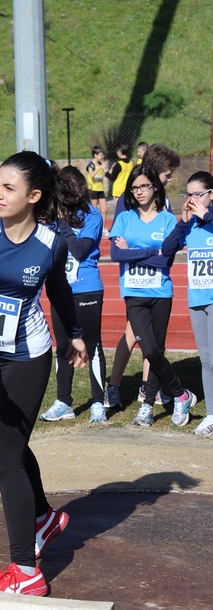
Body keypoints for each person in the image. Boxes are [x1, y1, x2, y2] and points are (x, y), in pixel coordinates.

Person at [0, 152, 87, 596]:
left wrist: (76, 335)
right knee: (8, 445)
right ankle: (44, 515)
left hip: (28, 356)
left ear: (34, 196)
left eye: (8, 188)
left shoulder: (50, 242)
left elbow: (59, 289)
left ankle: (25, 570)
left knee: (6, 455)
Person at [109, 163, 196, 427]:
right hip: (133, 294)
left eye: (144, 186)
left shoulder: (169, 220)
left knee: (155, 350)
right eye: (135, 188)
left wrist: (136, 252)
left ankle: (147, 407)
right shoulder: (124, 218)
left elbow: (166, 262)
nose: (139, 192)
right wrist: (151, 252)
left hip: (161, 292)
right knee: (147, 346)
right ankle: (181, 393)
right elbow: (116, 255)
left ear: (154, 187)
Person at [106, 143, 181, 409]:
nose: (170, 179)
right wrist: (149, 251)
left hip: (156, 284)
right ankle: (116, 387)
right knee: (134, 336)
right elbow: (119, 249)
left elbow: (166, 252)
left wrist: (145, 252)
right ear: (155, 173)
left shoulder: (164, 206)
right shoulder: (128, 206)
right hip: (135, 284)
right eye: (168, 174)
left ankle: (147, 390)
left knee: (142, 338)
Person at [41, 166, 106, 425]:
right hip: (60, 290)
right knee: (64, 346)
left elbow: (79, 250)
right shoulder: (53, 216)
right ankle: (63, 401)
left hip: (87, 288)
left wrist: (63, 222)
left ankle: (98, 402)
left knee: (92, 345)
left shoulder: (92, 216)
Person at [162, 171, 213, 435]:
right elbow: (167, 249)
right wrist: (183, 222)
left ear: (210, 195)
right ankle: (211, 415)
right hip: (197, 298)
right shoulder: (191, 224)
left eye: (197, 195)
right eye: (188, 195)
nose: (191, 200)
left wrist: (206, 215)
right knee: (206, 360)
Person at [86, 146, 108, 236]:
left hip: (100, 190)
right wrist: (99, 168)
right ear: (95, 155)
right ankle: (94, 227)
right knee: (94, 210)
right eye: (101, 155)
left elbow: (105, 174)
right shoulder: (91, 165)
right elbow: (91, 175)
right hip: (93, 190)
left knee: (105, 209)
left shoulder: (101, 164)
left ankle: (102, 228)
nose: (102, 157)